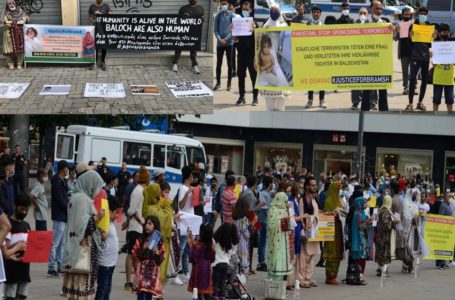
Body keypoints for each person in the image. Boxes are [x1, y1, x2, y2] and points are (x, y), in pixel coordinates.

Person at [62, 170, 106, 299]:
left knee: (76, 291)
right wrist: (97, 217)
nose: (96, 190)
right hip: (82, 251)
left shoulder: (76, 197)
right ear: (89, 184)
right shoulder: (82, 199)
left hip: (78, 250)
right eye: (95, 186)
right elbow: (82, 227)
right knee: (82, 290)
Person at [142, 182, 175, 285]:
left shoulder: (149, 206)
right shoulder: (152, 209)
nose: (159, 196)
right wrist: (167, 204)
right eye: (157, 194)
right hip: (156, 243)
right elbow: (166, 217)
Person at [260, 5, 291, 111]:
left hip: (281, 62)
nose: (273, 12)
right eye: (271, 10)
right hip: (267, 62)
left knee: (281, 104)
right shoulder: (266, 25)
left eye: (276, 11)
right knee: (269, 105)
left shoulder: (284, 25)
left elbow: (288, 41)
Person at [124, 166, 150, 291]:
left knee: (132, 255)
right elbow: (133, 211)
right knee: (134, 255)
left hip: (135, 226)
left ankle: (132, 280)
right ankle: (131, 281)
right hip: (138, 226)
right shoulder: (142, 191)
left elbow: (130, 211)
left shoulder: (137, 190)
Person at [361, 0, 390, 112]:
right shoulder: (363, 25)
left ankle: (384, 113)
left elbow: (395, 39)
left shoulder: (385, 24)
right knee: (367, 90)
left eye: (380, 9)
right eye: (376, 8)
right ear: (370, 9)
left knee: (383, 89)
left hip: (381, 63)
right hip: (368, 62)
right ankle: (364, 112)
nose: (378, 11)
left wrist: (394, 31)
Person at [4, 192, 31, 300]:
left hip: (24, 267)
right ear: (15, 206)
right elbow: (5, 247)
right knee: (11, 295)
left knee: (23, 294)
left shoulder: (26, 225)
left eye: (26, 210)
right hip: (12, 267)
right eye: (22, 209)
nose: (24, 212)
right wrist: (17, 245)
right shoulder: (8, 225)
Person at [95, 195, 122, 300]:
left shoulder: (110, 223)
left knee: (107, 289)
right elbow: (103, 236)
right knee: (102, 289)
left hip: (111, 263)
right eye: (116, 213)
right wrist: (103, 218)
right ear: (110, 212)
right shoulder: (103, 223)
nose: (117, 216)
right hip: (104, 263)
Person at [132, 215, 166, 300]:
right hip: (142, 272)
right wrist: (143, 249)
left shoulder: (159, 242)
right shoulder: (140, 239)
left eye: (150, 224)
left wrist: (158, 254)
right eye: (146, 223)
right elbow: (135, 255)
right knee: (141, 293)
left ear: (155, 226)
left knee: (149, 295)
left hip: (153, 274)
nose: (147, 225)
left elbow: (161, 259)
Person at [405, 6, 432, 111]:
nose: (423, 15)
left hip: (425, 57)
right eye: (421, 13)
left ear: (427, 15)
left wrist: (434, 36)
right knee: (412, 79)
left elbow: (430, 43)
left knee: (424, 80)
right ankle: (410, 103)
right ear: (417, 14)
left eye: (425, 14)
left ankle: (420, 102)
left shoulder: (429, 26)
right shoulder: (413, 26)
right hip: (415, 56)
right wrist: (410, 36)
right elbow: (409, 41)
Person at [266, 181, 293, 284]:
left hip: (284, 239)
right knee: (276, 260)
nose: (286, 203)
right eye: (285, 200)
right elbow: (271, 225)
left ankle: (280, 286)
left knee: (283, 261)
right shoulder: (273, 209)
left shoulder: (284, 209)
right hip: (276, 241)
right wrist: (283, 221)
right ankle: (273, 286)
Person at [47, 160, 69, 278]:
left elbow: (64, 197)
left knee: (62, 243)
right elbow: (60, 199)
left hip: (63, 216)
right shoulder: (57, 182)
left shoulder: (63, 181)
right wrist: (69, 208)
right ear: (62, 169)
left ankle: (60, 266)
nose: (68, 170)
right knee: (55, 243)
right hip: (59, 215)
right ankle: (51, 268)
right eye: (66, 168)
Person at [234, 1, 258, 106]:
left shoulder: (254, 22)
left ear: (251, 10)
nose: (245, 11)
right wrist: (232, 30)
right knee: (240, 76)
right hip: (241, 54)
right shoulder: (238, 22)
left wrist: (254, 29)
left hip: (251, 55)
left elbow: (258, 38)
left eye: (247, 9)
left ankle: (255, 98)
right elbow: (235, 39)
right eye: (243, 9)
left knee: (254, 77)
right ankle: (241, 97)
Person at [297, 177, 320, 288]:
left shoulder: (314, 198)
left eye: (315, 185)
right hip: (306, 231)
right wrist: (302, 231)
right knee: (304, 256)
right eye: (312, 185)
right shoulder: (302, 200)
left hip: (315, 230)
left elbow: (317, 212)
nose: (314, 187)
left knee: (312, 255)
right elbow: (301, 216)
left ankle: (308, 277)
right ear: (307, 186)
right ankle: (301, 279)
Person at [172, 0, 204, 74]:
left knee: (193, 49)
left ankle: (194, 65)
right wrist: (183, 16)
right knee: (179, 48)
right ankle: (175, 63)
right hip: (184, 31)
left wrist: (203, 19)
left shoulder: (201, 8)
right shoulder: (183, 8)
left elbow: (201, 21)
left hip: (194, 32)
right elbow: (178, 20)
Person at [323, 182, 344, 285]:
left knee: (338, 250)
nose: (339, 191)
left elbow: (344, 210)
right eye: (338, 189)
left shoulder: (339, 199)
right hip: (331, 228)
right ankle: (330, 276)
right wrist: (333, 213)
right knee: (331, 251)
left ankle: (334, 275)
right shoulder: (329, 200)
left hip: (339, 228)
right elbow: (325, 214)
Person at [187, 223, 215, 300]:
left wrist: (190, 245)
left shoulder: (197, 245)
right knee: (207, 293)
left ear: (201, 233)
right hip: (207, 271)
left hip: (197, 271)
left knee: (198, 292)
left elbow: (192, 258)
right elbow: (212, 259)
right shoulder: (211, 245)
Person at [305, 6, 326, 109]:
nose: (316, 14)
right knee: (311, 79)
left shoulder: (324, 27)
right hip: (310, 57)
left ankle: (322, 100)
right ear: (311, 14)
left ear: (320, 14)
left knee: (322, 79)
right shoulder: (307, 26)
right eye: (314, 12)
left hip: (321, 57)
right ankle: (310, 100)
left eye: (318, 12)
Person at [212, 223, 239, 300]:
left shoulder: (215, 241)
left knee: (215, 282)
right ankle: (222, 296)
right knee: (222, 281)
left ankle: (215, 296)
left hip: (216, 263)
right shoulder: (228, 244)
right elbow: (230, 254)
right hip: (225, 264)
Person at [177, 166, 194, 283]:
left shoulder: (189, 188)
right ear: (189, 176)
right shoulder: (183, 188)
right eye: (192, 175)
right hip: (183, 221)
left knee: (186, 249)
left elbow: (193, 204)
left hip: (190, 221)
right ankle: (175, 273)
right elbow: (181, 205)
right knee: (181, 248)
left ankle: (186, 272)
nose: (193, 177)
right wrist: (188, 193)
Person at [432, 23, 454, 112]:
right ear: (440, 33)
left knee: (450, 101)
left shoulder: (452, 44)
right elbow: (433, 64)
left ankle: (450, 117)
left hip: (449, 79)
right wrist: (432, 56)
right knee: (436, 100)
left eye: (446, 32)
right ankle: (435, 117)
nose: (445, 34)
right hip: (438, 78)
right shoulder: (436, 43)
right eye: (443, 32)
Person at [348, 197, 369, 283]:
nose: (366, 204)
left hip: (363, 239)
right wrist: (368, 221)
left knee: (362, 258)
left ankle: (361, 276)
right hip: (359, 240)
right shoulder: (358, 214)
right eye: (364, 203)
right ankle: (359, 276)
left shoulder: (362, 213)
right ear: (360, 204)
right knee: (360, 259)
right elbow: (360, 227)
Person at [351, 7, 369, 110]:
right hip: (357, 56)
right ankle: (355, 102)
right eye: (361, 13)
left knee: (370, 81)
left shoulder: (371, 25)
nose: (363, 14)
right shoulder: (354, 24)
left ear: (367, 14)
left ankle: (372, 102)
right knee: (356, 80)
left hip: (368, 56)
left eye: (365, 13)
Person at [214, 0, 234, 91]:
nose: (224, 5)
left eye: (225, 4)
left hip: (229, 43)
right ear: (220, 5)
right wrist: (219, 39)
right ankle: (218, 83)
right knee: (219, 64)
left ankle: (229, 83)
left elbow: (233, 30)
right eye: (222, 4)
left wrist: (226, 39)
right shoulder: (218, 16)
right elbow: (215, 30)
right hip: (220, 44)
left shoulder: (231, 15)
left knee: (230, 64)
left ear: (228, 5)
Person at [2, 0, 28, 69]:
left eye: (13, 3)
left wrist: (25, 19)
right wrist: (16, 22)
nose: (11, 5)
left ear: (15, 4)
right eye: (9, 4)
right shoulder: (6, 13)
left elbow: (26, 19)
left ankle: (19, 63)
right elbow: (4, 22)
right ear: (7, 5)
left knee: (20, 48)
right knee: (9, 49)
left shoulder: (20, 11)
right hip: (9, 33)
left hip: (19, 33)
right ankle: (10, 64)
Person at [375, 195, 397, 276]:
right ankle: (384, 271)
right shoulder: (386, 212)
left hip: (379, 235)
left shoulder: (380, 210)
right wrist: (394, 222)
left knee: (380, 252)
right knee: (385, 253)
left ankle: (379, 269)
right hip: (385, 236)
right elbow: (386, 225)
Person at [88, 0, 112, 71]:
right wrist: (93, 20)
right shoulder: (92, 7)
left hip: (104, 29)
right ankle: (94, 62)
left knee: (104, 45)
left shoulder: (106, 5)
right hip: (95, 29)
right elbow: (89, 16)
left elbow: (111, 15)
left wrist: (101, 14)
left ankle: (103, 62)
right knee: (95, 46)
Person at [256, 175, 273, 272]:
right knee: (262, 242)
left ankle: (262, 260)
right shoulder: (264, 194)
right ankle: (262, 261)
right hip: (264, 220)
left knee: (263, 242)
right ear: (269, 184)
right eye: (272, 183)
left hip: (263, 220)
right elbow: (265, 209)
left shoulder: (265, 193)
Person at [395, 7, 414, 96]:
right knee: (405, 71)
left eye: (409, 14)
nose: (407, 16)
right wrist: (396, 32)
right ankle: (406, 87)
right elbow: (395, 38)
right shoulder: (399, 24)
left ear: (411, 15)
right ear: (402, 15)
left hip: (413, 52)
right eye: (406, 14)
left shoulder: (414, 24)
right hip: (403, 51)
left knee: (414, 71)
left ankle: (414, 87)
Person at [233, 194, 251, 274]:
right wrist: (252, 224)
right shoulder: (244, 220)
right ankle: (240, 282)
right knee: (242, 266)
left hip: (236, 243)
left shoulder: (236, 220)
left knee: (237, 265)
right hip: (243, 245)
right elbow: (247, 235)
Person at [436, 193, 453, 269]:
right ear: (444, 197)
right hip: (443, 228)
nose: (449, 197)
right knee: (441, 246)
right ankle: (439, 263)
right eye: (448, 196)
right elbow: (441, 216)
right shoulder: (443, 205)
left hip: (448, 229)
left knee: (446, 246)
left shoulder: (448, 204)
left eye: (449, 196)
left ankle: (444, 262)